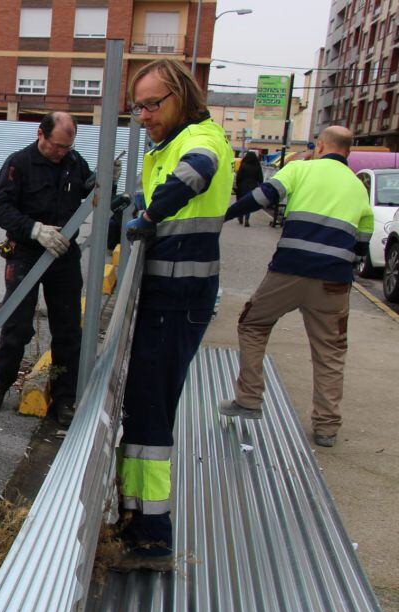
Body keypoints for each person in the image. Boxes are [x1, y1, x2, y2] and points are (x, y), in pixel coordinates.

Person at [115, 59, 235, 571]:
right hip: (166, 297)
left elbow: (199, 170)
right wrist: (135, 204)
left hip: (177, 300)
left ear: (180, 95)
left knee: (151, 414)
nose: (143, 115)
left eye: (151, 104)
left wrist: (149, 214)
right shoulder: (164, 147)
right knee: (144, 409)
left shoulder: (202, 138)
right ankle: (137, 518)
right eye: (137, 106)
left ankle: (152, 538)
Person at [218, 126, 373, 448]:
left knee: (254, 324)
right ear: (348, 152)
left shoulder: (301, 168)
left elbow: (261, 197)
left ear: (321, 145)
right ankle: (326, 427)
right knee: (330, 352)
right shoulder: (358, 187)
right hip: (334, 281)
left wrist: (223, 216)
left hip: (289, 271)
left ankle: (249, 399)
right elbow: (363, 238)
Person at [0, 112, 93, 427]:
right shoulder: (19, 164)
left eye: (66, 147)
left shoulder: (75, 163)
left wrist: (106, 183)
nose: (61, 153)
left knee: (68, 330)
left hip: (63, 255)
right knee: (16, 324)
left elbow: (93, 196)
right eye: (56, 146)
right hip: (26, 253)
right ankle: (1, 382)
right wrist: (34, 229)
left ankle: (64, 398)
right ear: (40, 134)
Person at [234, 151, 263, 226]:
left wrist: (237, 184)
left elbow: (239, 176)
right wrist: (260, 185)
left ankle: (240, 216)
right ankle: (247, 219)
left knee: (241, 202)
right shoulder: (257, 166)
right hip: (253, 186)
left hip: (242, 186)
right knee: (249, 203)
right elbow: (260, 178)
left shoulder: (243, 165)